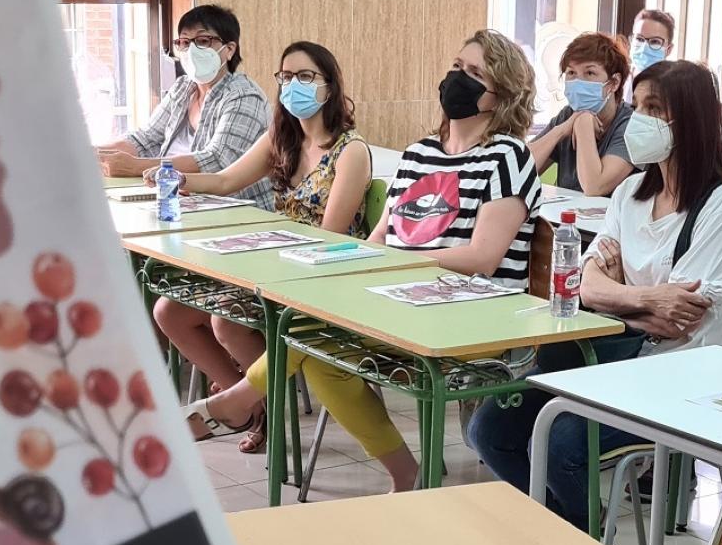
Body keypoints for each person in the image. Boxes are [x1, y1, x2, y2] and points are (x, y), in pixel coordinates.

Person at [183, 30, 542, 492]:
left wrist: (394, 264)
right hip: (404, 297)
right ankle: (405, 475)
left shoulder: (507, 156)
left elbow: (483, 258)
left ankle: (238, 401)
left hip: (472, 315)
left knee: (306, 335)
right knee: (310, 337)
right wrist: (350, 264)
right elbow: (378, 239)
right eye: (457, 66)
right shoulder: (419, 154)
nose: (458, 78)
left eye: (475, 74)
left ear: (500, 96)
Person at [471, 60, 722, 521]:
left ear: (691, 118)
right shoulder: (632, 193)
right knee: (490, 429)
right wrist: (643, 300)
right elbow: (583, 284)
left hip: (684, 377)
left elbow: (681, 319)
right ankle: (565, 527)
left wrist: (615, 293)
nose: (638, 118)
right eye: (637, 105)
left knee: (563, 443)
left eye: (654, 108)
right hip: (613, 361)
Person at [147, 42, 370, 453]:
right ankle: (254, 406)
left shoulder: (350, 151)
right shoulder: (281, 139)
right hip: (275, 266)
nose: (292, 85)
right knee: (169, 311)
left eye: (305, 77)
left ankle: (247, 406)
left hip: (321, 277)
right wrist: (176, 178)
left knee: (225, 322)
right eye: (285, 77)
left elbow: (330, 237)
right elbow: (225, 180)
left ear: (330, 86)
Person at [94, 4, 271, 204]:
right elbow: (146, 139)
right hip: (182, 202)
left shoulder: (243, 95)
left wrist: (136, 167)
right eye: (185, 42)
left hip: (239, 213)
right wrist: (95, 154)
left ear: (229, 50)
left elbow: (216, 160)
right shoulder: (183, 88)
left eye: (203, 41)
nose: (192, 50)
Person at [528, 32, 635, 196]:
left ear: (614, 83)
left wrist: (583, 123)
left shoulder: (630, 124)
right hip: (564, 218)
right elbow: (519, 170)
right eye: (571, 73)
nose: (578, 81)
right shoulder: (568, 115)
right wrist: (561, 130)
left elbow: (594, 187)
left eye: (590, 73)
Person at [629, 8, 675, 77]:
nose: (644, 47)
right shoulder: (616, 80)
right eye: (639, 39)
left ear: (669, 49)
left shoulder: (675, 86)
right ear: (631, 40)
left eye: (655, 41)